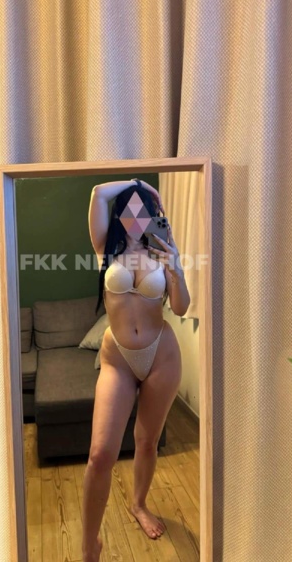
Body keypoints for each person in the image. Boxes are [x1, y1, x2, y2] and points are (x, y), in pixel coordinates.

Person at [81, 178, 190, 562]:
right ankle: (90, 544)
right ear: (119, 215)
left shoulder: (162, 250)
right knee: (100, 454)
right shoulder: (105, 248)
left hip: (162, 354)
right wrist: (138, 184)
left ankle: (139, 505)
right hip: (118, 358)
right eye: (129, 209)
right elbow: (98, 193)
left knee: (147, 440)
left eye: (144, 210)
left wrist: (176, 269)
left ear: (153, 215)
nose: (136, 217)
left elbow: (180, 307)